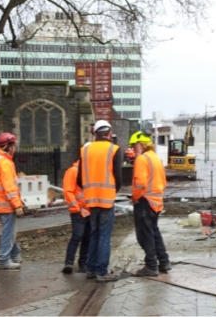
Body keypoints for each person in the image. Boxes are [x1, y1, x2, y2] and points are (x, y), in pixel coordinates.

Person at [77, 120, 123, 283]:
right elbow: (118, 177)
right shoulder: (113, 149)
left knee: (94, 234)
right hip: (106, 199)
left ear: (95, 133)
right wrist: (110, 191)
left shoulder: (85, 149)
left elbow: (79, 179)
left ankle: (91, 269)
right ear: (109, 133)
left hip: (90, 199)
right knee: (104, 235)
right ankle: (102, 272)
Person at [129, 132, 171, 277]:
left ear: (141, 144)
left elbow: (140, 184)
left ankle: (151, 266)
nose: (133, 149)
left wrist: (135, 198)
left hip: (144, 201)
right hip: (156, 201)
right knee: (154, 232)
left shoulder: (142, 159)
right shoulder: (156, 158)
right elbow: (163, 182)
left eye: (134, 146)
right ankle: (164, 262)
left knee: (145, 235)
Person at [0, 132, 25, 270]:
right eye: (14, 146)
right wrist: (17, 205)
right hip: (6, 204)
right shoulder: (6, 163)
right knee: (9, 233)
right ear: (9, 147)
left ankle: (15, 255)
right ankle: (4, 260)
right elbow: (9, 187)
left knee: (9, 231)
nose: (14, 149)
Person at [61, 159, 91, 274]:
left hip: (88, 210)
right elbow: (68, 191)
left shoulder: (88, 171)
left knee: (86, 238)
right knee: (77, 236)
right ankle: (69, 262)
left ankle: (83, 264)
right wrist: (76, 209)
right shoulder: (72, 171)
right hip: (79, 210)